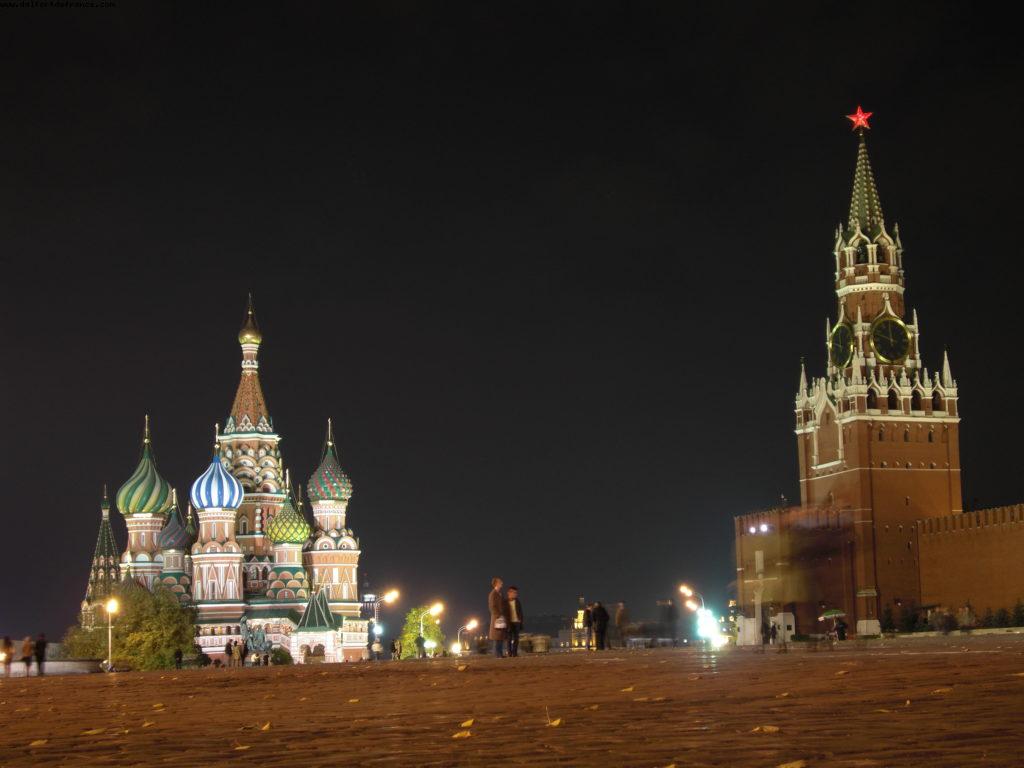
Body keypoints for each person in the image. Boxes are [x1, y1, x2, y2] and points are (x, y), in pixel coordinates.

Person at [488, 576, 509, 658]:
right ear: (496, 583)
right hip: (497, 618)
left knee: (500, 636)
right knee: (497, 636)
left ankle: (500, 653)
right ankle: (497, 654)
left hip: (501, 617)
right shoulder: (493, 594)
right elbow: (492, 606)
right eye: (500, 582)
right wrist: (498, 615)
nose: (502, 583)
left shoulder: (500, 593)